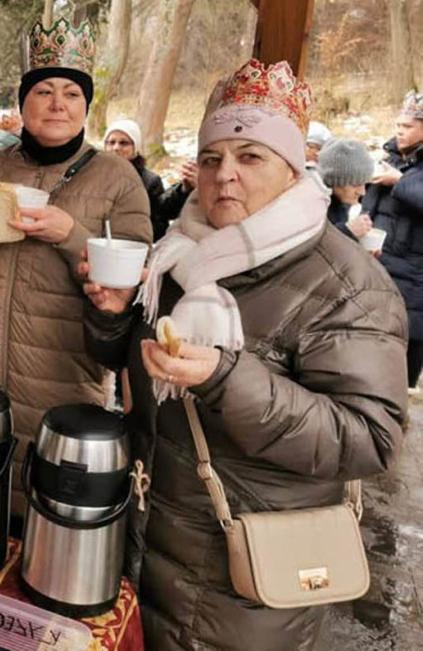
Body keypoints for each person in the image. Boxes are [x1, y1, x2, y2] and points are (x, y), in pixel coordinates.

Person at [81, 59, 407, 649]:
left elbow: (369, 439)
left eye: (250, 157)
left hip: (247, 586)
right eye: (211, 158)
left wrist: (226, 378)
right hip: (146, 548)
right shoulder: (180, 256)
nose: (224, 175)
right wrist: (113, 315)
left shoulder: (348, 286)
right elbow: (131, 368)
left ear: (292, 170)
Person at [0, 18, 152, 514]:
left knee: (46, 531)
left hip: (65, 384)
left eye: (72, 93)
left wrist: (68, 235)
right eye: (44, 90)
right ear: (23, 103)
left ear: (86, 106)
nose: (57, 104)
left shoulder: (118, 180)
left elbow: (132, 285)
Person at [363, 90, 423, 388]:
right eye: (397, 125)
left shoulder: (401, 173)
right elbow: (368, 209)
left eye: (408, 126)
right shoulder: (389, 160)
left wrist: (400, 183)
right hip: (379, 267)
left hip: (416, 279)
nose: (399, 131)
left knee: (406, 360)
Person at [103, 119, 174, 240]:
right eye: (111, 142)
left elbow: (159, 224)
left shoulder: (149, 182)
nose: (116, 148)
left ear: (136, 148)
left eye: (123, 143)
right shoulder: (94, 176)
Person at [318, 137, 375, 241]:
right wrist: (347, 230)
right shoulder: (311, 205)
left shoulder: (337, 202)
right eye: (355, 184)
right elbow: (305, 249)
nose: (362, 192)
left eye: (365, 184)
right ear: (334, 180)